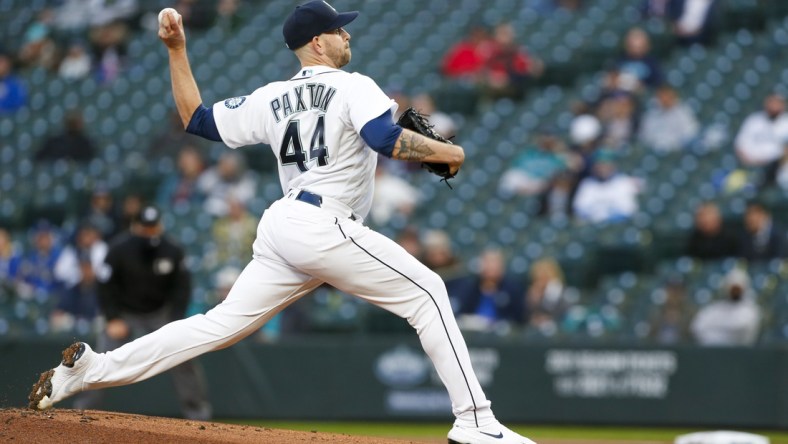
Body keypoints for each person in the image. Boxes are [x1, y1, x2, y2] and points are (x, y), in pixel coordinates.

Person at [29, 3, 536, 443]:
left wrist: (177, 50)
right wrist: (450, 149)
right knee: (427, 292)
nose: (348, 35)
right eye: (340, 29)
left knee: (216, 326)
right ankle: (475, 420)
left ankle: (89, 371)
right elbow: (385, 138)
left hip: (285, 226)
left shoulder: (272, 96)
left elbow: (196, 119)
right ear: (319, 43)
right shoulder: (353, 85)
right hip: (323, 224)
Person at [71, 206, 212, 420]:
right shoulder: (119, 249)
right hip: (125, 313)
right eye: (145, 227)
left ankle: (199, 416)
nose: (150, 232)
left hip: (160, 314)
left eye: (153, 227)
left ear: (160, 225)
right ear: (136, 227)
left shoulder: (172, 250)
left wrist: (175, 320)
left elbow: (182, 288)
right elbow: (105, 285)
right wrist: (112, 318)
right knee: (100, 358)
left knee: (184, 354)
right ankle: (80, 413)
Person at [454, 248, 526, 330]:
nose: (491, 266)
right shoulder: (470, 287)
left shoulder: (513, 289)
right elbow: (462, 313)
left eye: (494, 262)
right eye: (487, 262)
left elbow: (519, 319)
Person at [690, 268, 761, 346]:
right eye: (732, 288)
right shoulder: (716, 308)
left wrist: (714, 328)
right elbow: (697, 327)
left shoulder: (751, 310)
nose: (735, 291)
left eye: (737, 289)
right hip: (713, 353)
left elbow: (740, 329)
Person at [638, 84, 699, 152]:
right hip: (654, 151)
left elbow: (689, 135)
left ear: (673, 96)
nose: (664, 99)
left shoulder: (684, 113)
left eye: (667, 95)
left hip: (677, 153)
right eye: (661, 96)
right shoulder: (650, 115)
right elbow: (644, 137)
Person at [734, 93, 788, 167]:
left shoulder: (786, 123)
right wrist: (749, 161)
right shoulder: (754, 119)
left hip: (777, 167)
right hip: (749, 165)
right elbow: (740, 144)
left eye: (777, 103)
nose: (774, 106)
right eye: (772, 102)